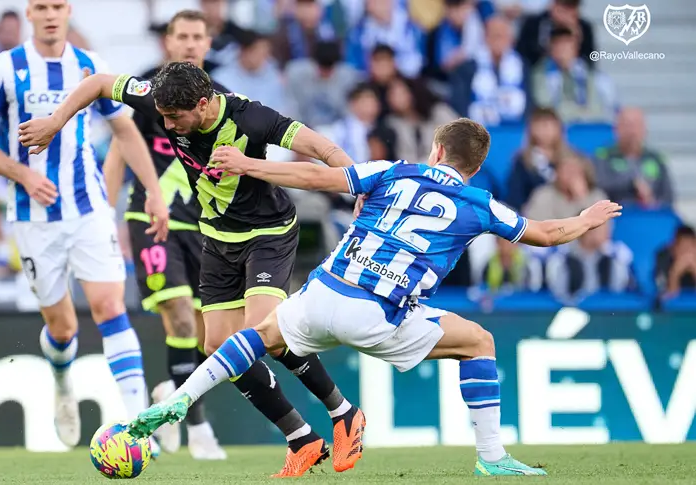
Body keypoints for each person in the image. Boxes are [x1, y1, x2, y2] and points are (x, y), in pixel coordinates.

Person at [125, 118, 623, 476]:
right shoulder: (479, 204)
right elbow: (545, 232)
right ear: (474, 165)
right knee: (478, 342)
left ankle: (182, 398)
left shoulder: (394, 171)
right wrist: (587, 218)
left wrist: (252, 165)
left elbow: (319, 177)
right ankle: (492, 458)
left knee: (255, 336)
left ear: (437, 151)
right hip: (377, 314)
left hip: (323, 292)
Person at [18, 61, 365, 477]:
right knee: (219, 344)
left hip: (268, 234)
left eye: (174, 118)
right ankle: (300, 437)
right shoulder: (162, 102)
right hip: (217, 238)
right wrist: (56, 122)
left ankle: (344, 413)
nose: (166, 124)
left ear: (202, 104)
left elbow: (324, 149)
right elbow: (97, 83)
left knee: (263, 337)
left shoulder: (253, 118)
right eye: (162, 115)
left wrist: (357, 185)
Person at [0, 0, 169, 452]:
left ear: (69, 11)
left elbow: (126, 131)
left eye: (58, 5)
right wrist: (24, 175)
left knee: (110, 306)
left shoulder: (90, 66)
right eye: (42, 6)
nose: (51, 13)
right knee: (62, 329)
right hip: (34, 217)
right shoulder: (5, 68)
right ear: (29, 14)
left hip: (89, 206)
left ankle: (139, 426)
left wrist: (153, 190)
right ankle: (62, 381)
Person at [101, 9, 228, 460]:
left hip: (205, 226)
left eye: (199, 37)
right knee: (176, 311)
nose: (191, 44)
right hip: (149, 218)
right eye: (183, 36)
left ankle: (172, 396)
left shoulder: (223, 101)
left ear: (208, 44)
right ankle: (197, 427)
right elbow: (119, 151)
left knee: (202, 330)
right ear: (168, 43)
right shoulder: (144, 92)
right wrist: (105, 215)